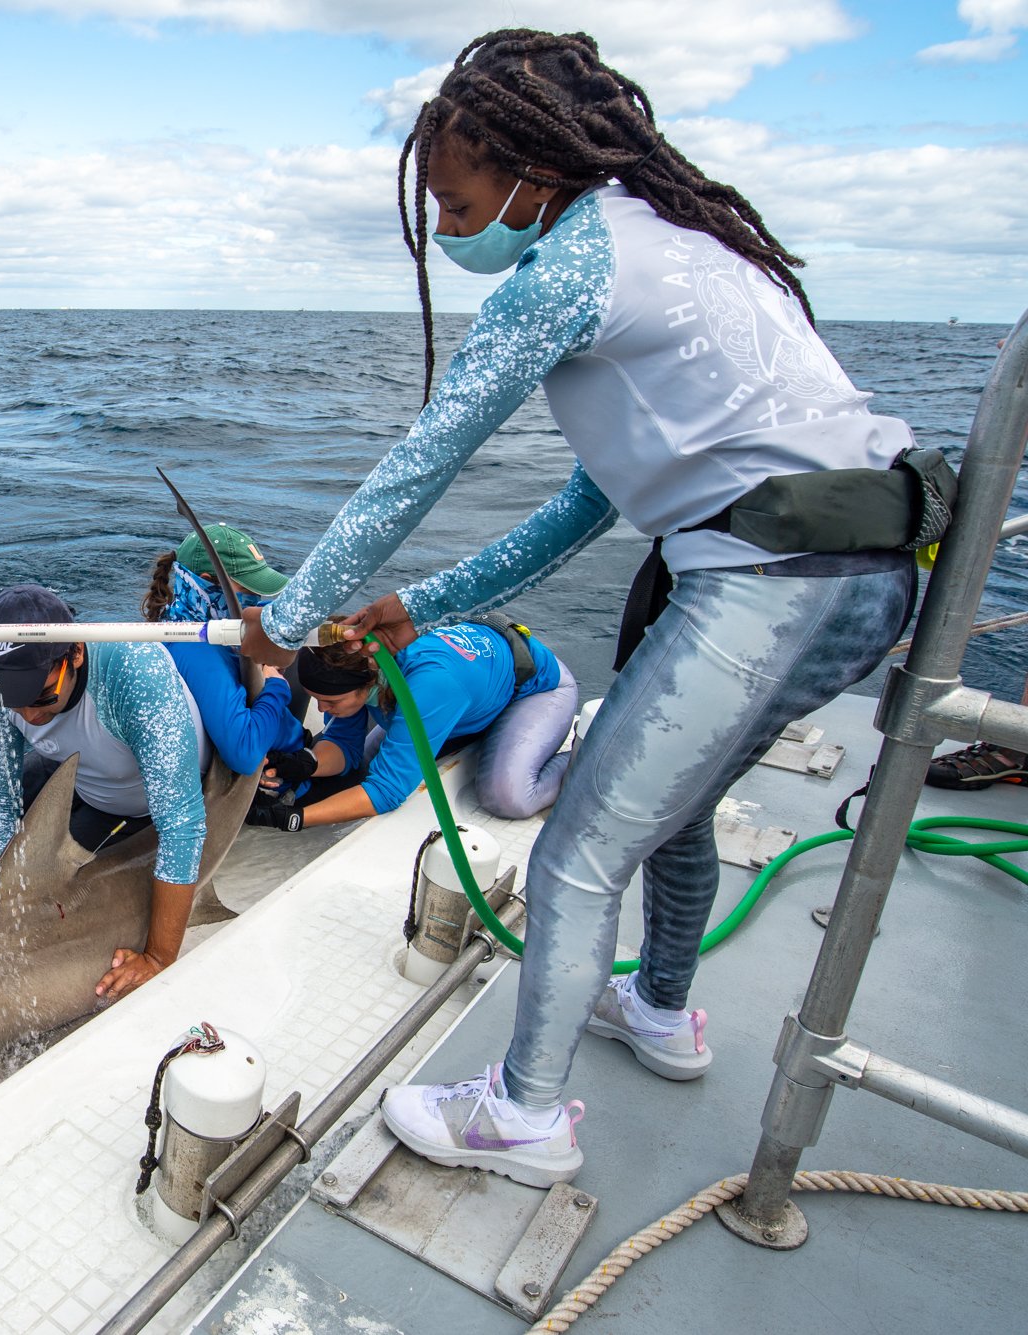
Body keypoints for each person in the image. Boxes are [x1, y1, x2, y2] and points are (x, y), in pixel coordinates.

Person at [238, 30, 919, 1187]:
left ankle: (524, 1119)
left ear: (530, 174)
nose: (448, 233)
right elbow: (580, 511)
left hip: (768, 585)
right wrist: (421, 602)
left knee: (574, 857)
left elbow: (420, 462)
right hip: (867, 576)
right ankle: (657, 1009)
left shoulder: (561, 274)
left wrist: (289, 617)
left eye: (453, 208)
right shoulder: (677, 245)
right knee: (679, 806)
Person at [0, 582, 211, 999]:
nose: (30, 715)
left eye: (41, 696)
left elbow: (181, 824)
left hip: (149, 798)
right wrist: (0, 893)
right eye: (14, 701)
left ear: (77, 652)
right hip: (83, 773)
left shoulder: (134, 669)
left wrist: (159, 957)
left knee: (77, 903)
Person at [259, 621, 575, 830]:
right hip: (462, 698)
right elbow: (345, 746)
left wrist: (294, 818)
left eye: (330, 703)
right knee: (365, 768)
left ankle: (580, 757)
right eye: (317, 699)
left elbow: (387, 791)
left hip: (536, 692)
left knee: (508, 797)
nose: (320, 708)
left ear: (368, 683)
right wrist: (305, 763)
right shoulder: (358, 660)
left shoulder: (429, 687)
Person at [139, 523, 306, 787]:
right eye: (249, 589)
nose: (256, 598)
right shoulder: (198, 653)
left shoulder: (176, 619)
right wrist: (276, 685)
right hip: (282, 765)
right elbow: (245, 755)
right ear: (208, 581)